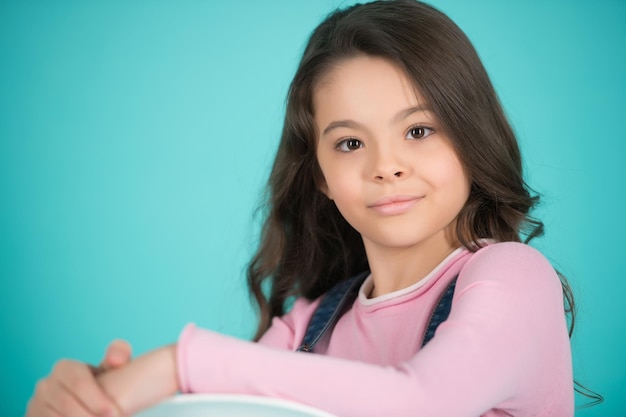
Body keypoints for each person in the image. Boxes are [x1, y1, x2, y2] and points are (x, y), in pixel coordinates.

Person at [26, 1, 579, 416]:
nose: (386, 166)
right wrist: (91, 397)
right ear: (319, 175)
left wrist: (178, 364)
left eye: (418, 130)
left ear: (470, 136)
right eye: (350, 143)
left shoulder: (514, 277)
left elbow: (421, 402)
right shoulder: (307, 329)